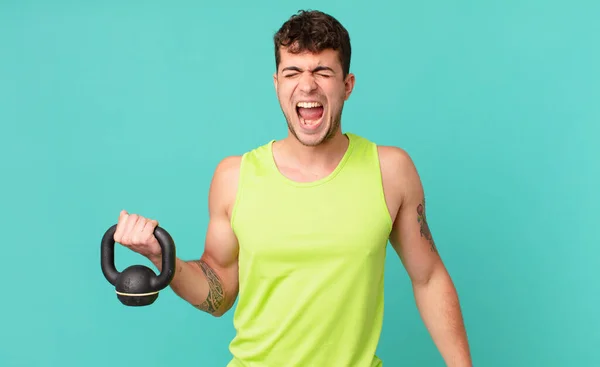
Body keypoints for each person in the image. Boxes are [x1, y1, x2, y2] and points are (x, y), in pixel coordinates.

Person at [113, 9, 472, 367]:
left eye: (322, 71)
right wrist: (164, 259)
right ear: (277, 84)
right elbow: (218, 292)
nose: (307, 85)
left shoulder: (391, 171)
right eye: (293, 72)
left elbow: (428, 278)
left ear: (347, 85)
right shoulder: (235, 177)